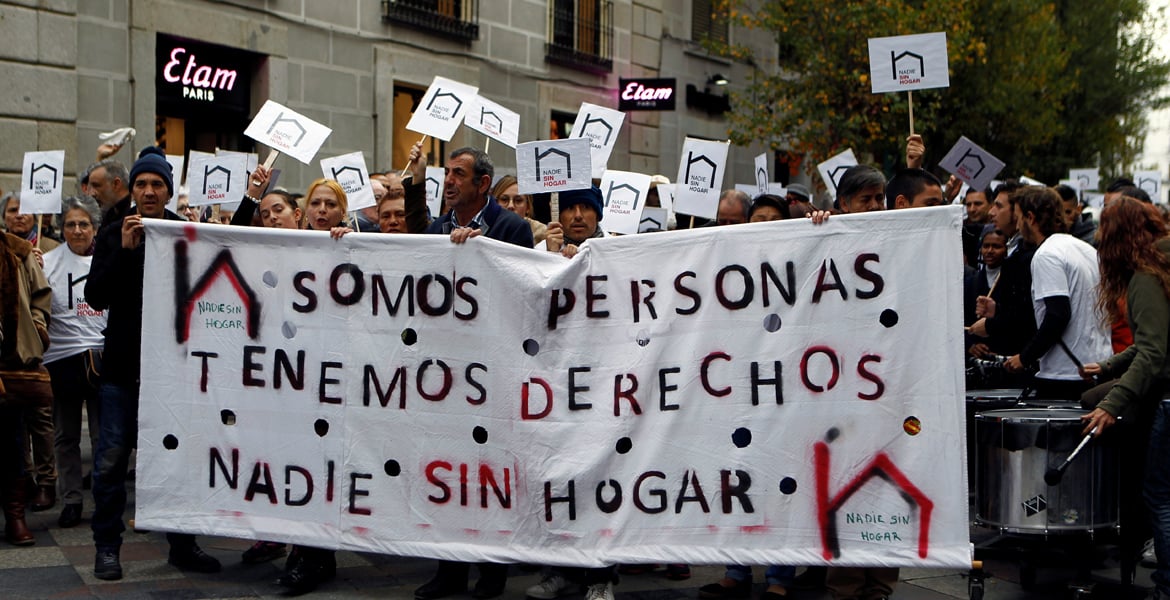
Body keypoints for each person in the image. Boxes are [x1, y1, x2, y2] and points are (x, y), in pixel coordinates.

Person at [85, 146, 222, 580]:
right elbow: (95, 297)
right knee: (110, 463)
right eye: (141, 183)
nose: (148, 191)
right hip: (122, 371)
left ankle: (182, 545)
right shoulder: (114, 233)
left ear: (167, 191)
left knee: (178, 459)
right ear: (132, 190)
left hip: (172, 372)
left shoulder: (183, 232)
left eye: (157, 184)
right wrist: (126, 252)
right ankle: (107, 547)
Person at [411, 145, 531, 600]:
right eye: (447, 173)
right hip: (449, 373)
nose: (449, 181)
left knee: (489, 473)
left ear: (483, 183)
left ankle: (492, 572)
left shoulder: (511, 227)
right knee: (450, 471)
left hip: (494, 370)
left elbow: (522, 288)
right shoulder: (439, 229)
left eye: (459, 174)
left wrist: (483, 253)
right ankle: (450, 569)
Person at [1080, 196, 1170, 600]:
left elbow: (1153, 352)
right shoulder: (1161, 266)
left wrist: (1110, 405)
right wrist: (1109, 366)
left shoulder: (1146, 276)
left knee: (1159, 496)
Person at [1001, 186, 1110, 398]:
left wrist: (1024, 357)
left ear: (1030, 217)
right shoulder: (1086, 250)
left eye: (1019, 218)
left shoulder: (1047, 255)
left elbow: (1057, 315)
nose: (1017, 225)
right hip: (1098, 366)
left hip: (1065, 374)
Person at [41, 196, 107, 529]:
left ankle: (103, 499)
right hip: (61, 359)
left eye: (83, 224)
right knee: (65, 436)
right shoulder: (48, 262)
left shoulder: (107, 260)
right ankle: (70, 500)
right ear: (61, 227)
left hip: (101, 358)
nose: (77, 230)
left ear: (94, 227)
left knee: (101, 435)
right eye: (70, 224)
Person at [1, 192, 58, 512]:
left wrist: (37, 330)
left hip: (28, 353)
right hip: (3, 358)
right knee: (12, 425)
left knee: (40, 418)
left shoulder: (27, 250)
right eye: (12, 210)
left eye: (24, 210)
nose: (19, 215)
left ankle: (47, 481)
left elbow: (41, 296)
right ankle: (23, 481)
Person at [493, 175, 547, 246]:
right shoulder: (484, 228)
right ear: (495, 203)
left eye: (518, 200)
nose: (511, 206)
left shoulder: (543, 234)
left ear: (528, 207)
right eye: (504, 199)